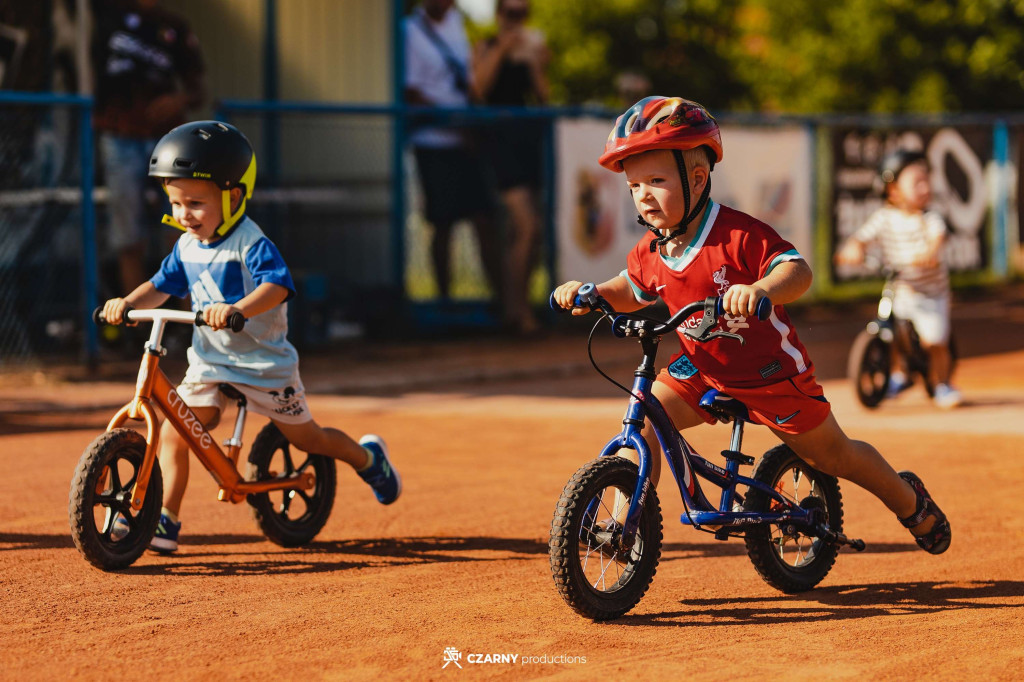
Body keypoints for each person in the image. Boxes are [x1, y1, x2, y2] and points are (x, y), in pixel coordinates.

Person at [552, 96, 951, 555]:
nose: (643, 194)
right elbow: (634, 289)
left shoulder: (738, 234)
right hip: (702, 369)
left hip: (771, 373)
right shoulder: (652, 249)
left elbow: (796, 271)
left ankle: (908, 500)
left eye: (656, 180)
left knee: (832, 455)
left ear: (697, 178)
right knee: (643, 424)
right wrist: (594, 293)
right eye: (634, 185)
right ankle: (624, 529)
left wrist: (761, 289)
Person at [101, 121, 401, 552]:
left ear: (233, 196)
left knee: (307, 438)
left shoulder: (250, 243)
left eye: (196, 203)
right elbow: (160, 285)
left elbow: (277, 286)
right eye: (176, 202)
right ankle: (165, 520)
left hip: (264, 362)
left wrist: (238, 309)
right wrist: (127, 303)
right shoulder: (186, 246)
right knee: (174, 431)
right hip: (210, 362)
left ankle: (369, 460)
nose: (184, 214)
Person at [92, 0, 207, 294]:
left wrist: (178, 100)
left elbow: (198, 89)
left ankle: (191, 321)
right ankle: (136, 322)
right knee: (127, 236)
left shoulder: (175, 27)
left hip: (168, 140)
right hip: (119, 135)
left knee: (184, 229)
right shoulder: (107, 19)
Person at [835, 150, 961, 408]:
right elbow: (861, 238)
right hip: (902, 288)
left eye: (927, 181)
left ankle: (943, 384)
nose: (925, 187)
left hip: (931, 294)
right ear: (892, 189)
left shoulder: (929, 218)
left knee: (933, 341)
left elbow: (938, 238)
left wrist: (929, 253)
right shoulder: (884, 217)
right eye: (917, 182)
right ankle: (898, 375)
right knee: (892, 331)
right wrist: (854, 248)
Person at [404, 0, 502, 309]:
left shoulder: (457, 23)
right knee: (442, 223)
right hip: (433, 142)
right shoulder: (408, 31)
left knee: (484, 219)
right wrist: (453, 121)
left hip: (465, 142)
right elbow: (411, 91)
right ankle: (443, 302)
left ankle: (498, 301)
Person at [472, 0, 549, 334]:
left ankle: (515, 309)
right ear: (499, 14)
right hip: (499, 145)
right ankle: (518, 311)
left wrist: (534, 65)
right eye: (510, 13)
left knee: (529, 232)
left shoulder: (533, 47)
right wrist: (503, 48)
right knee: (526, 225)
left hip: (526, 143)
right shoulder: (485, 47)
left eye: (521, 14)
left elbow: (544, 97)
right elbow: (479, 89)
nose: (515, 20)